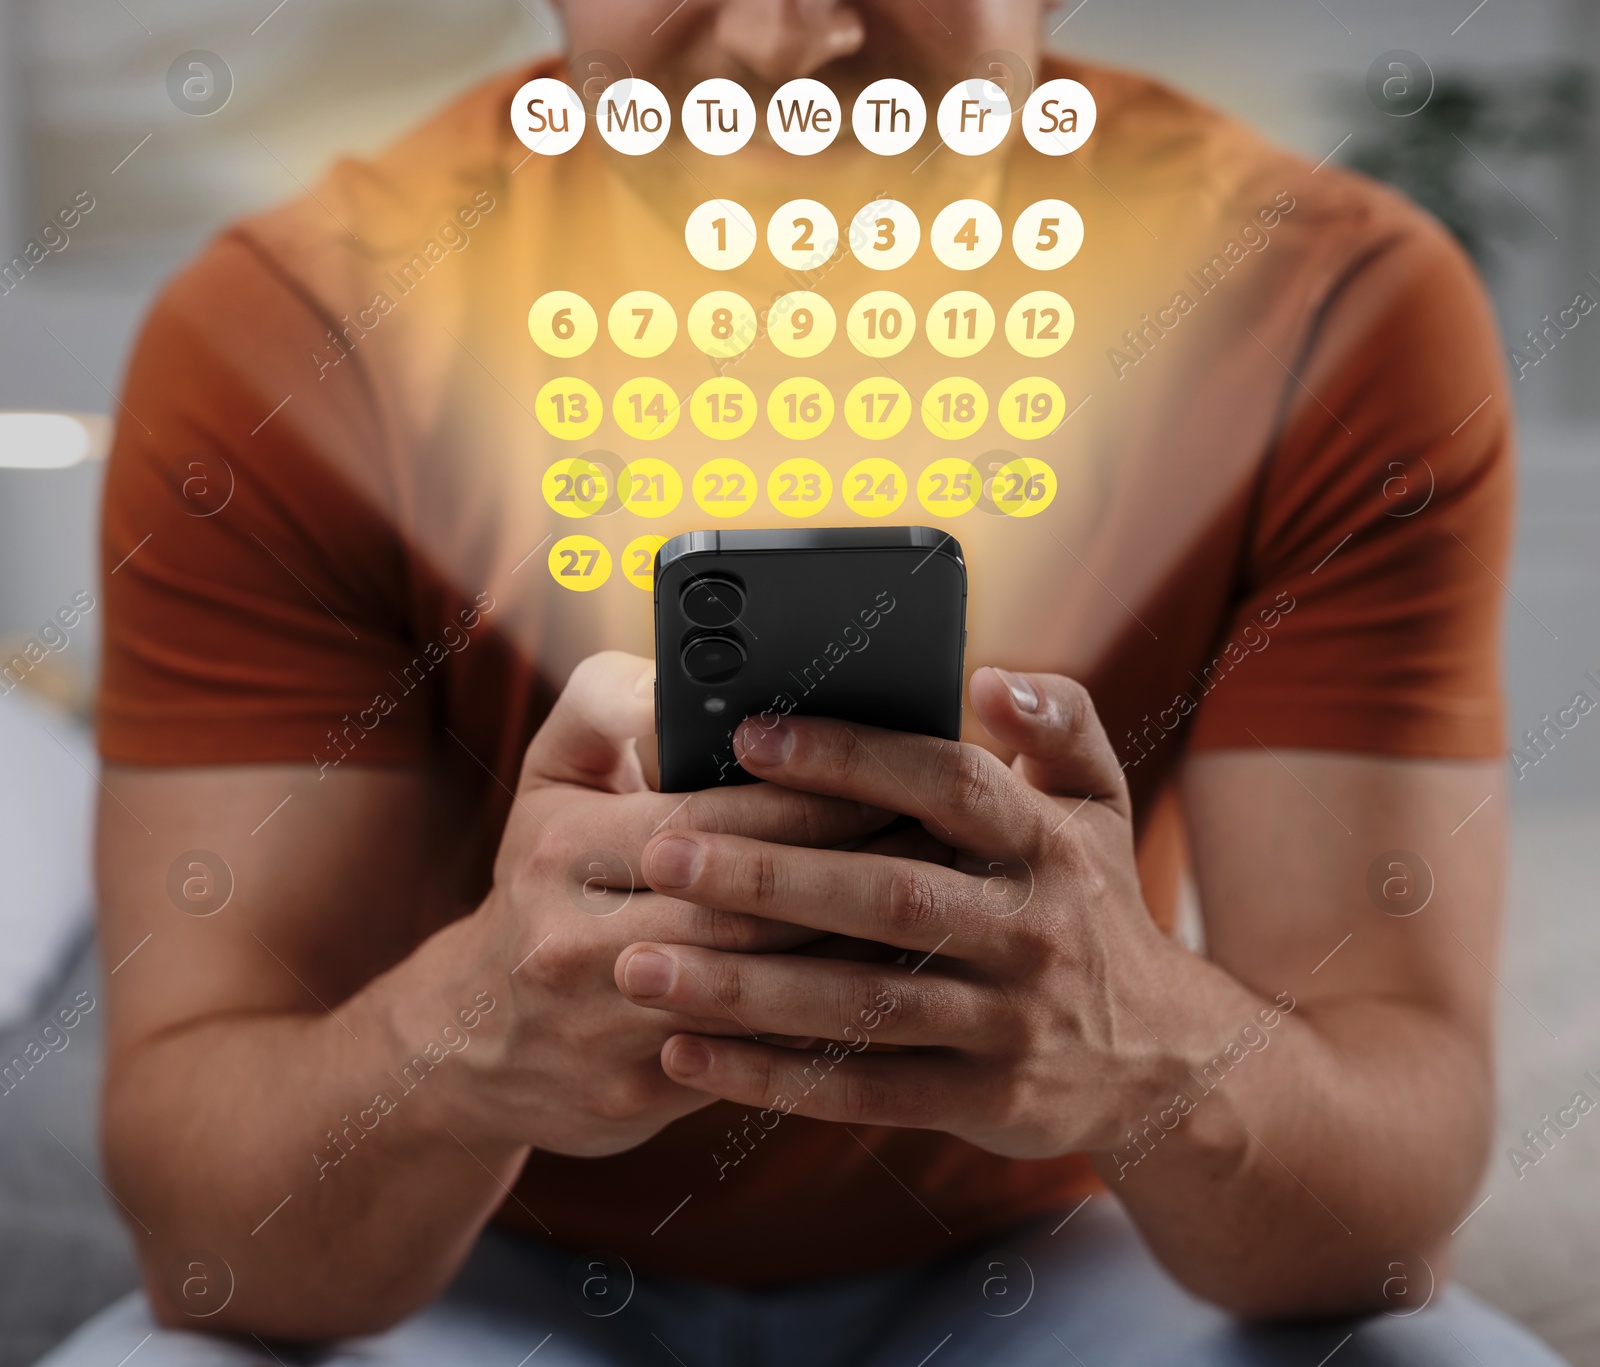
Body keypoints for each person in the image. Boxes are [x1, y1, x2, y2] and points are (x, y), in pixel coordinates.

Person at [43, 1, 1565, 1363]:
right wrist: (470, 1044)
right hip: (482, 1266)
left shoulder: (1328, 305)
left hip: (1035, 1251)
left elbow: (1387, 1201)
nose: (781, 47)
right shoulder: (290, 332)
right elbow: (204, 1229)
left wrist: (1141, 1044)